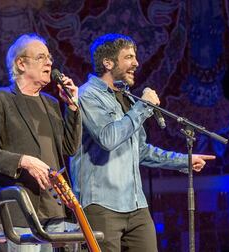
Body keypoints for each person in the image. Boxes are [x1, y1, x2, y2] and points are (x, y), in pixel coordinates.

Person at [70, 33, 216, 252]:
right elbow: (108, 138)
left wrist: (183, 161)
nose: (136, 63)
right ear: (108, 62)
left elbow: (141, 151)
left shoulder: (129, 99)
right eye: (129, 57)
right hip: (101, 206)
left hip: (136, 205)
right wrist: (143, 107)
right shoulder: (87, 95)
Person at [0, 33, 81, 251]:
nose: (49, 62)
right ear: (21, 63)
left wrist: (72, 107)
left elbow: (70, 148)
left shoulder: (51, 103)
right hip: (20, 210)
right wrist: (23, 161)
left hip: (55, 209)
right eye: (41, 57)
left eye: (50, 57)